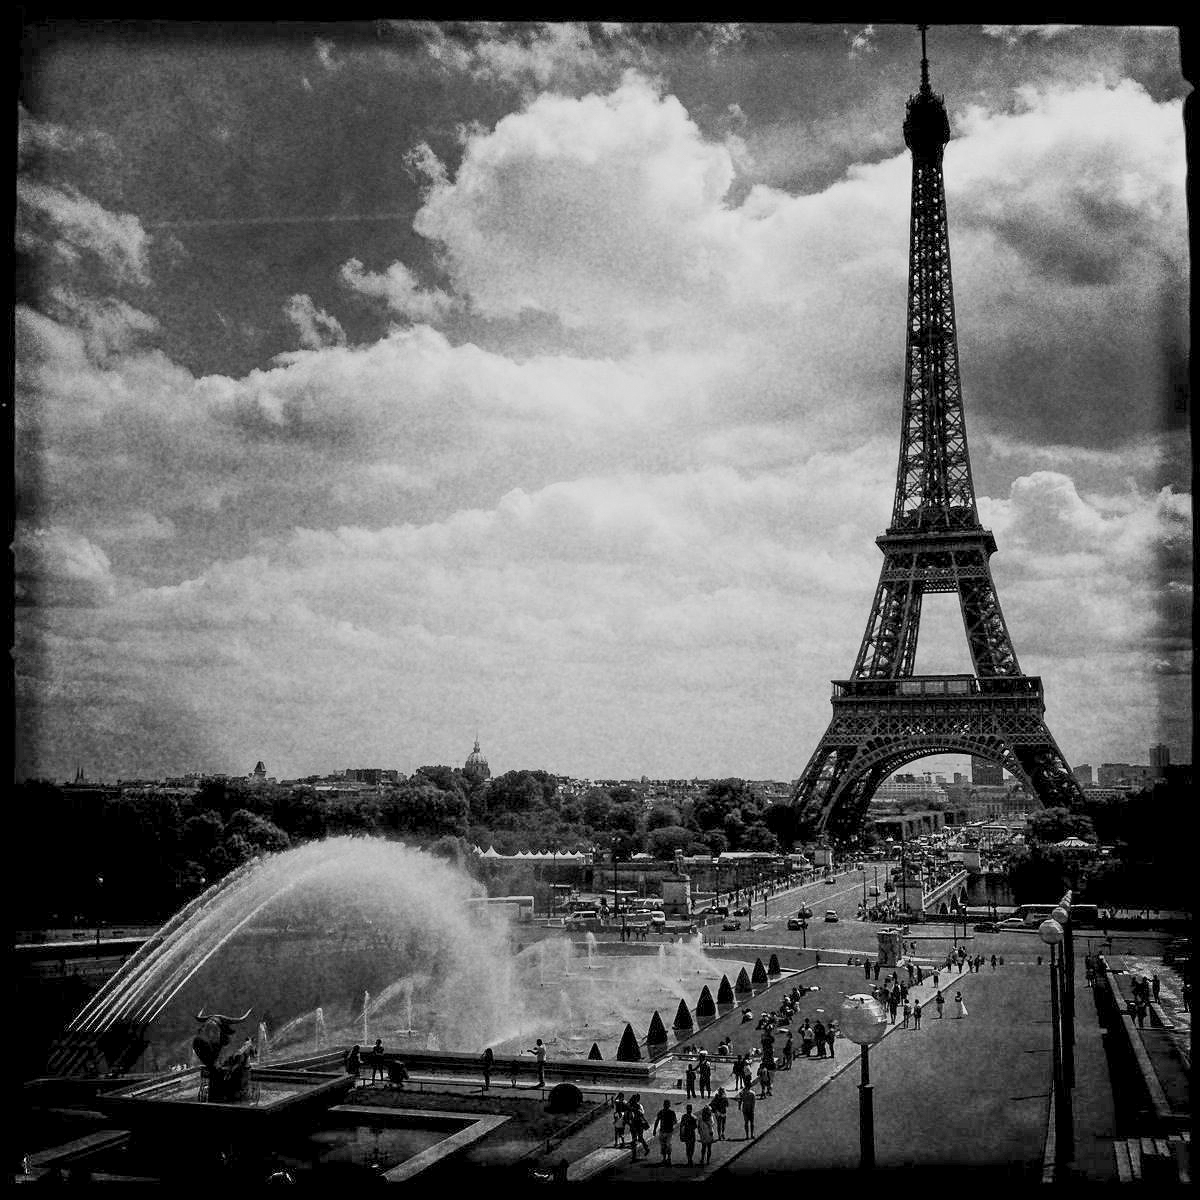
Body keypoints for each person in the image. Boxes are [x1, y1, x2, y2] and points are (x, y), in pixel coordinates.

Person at [627, 1094, 650, 1160]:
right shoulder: (630, 1106)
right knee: (634, 1140)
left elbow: (642, 1113)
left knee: (639, 1138)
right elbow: (628, 1115)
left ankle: (646, 1148)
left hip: (639, 1124)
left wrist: (635, 1109)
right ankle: (634, 1155)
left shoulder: (639, 1106)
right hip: (633, 1124)